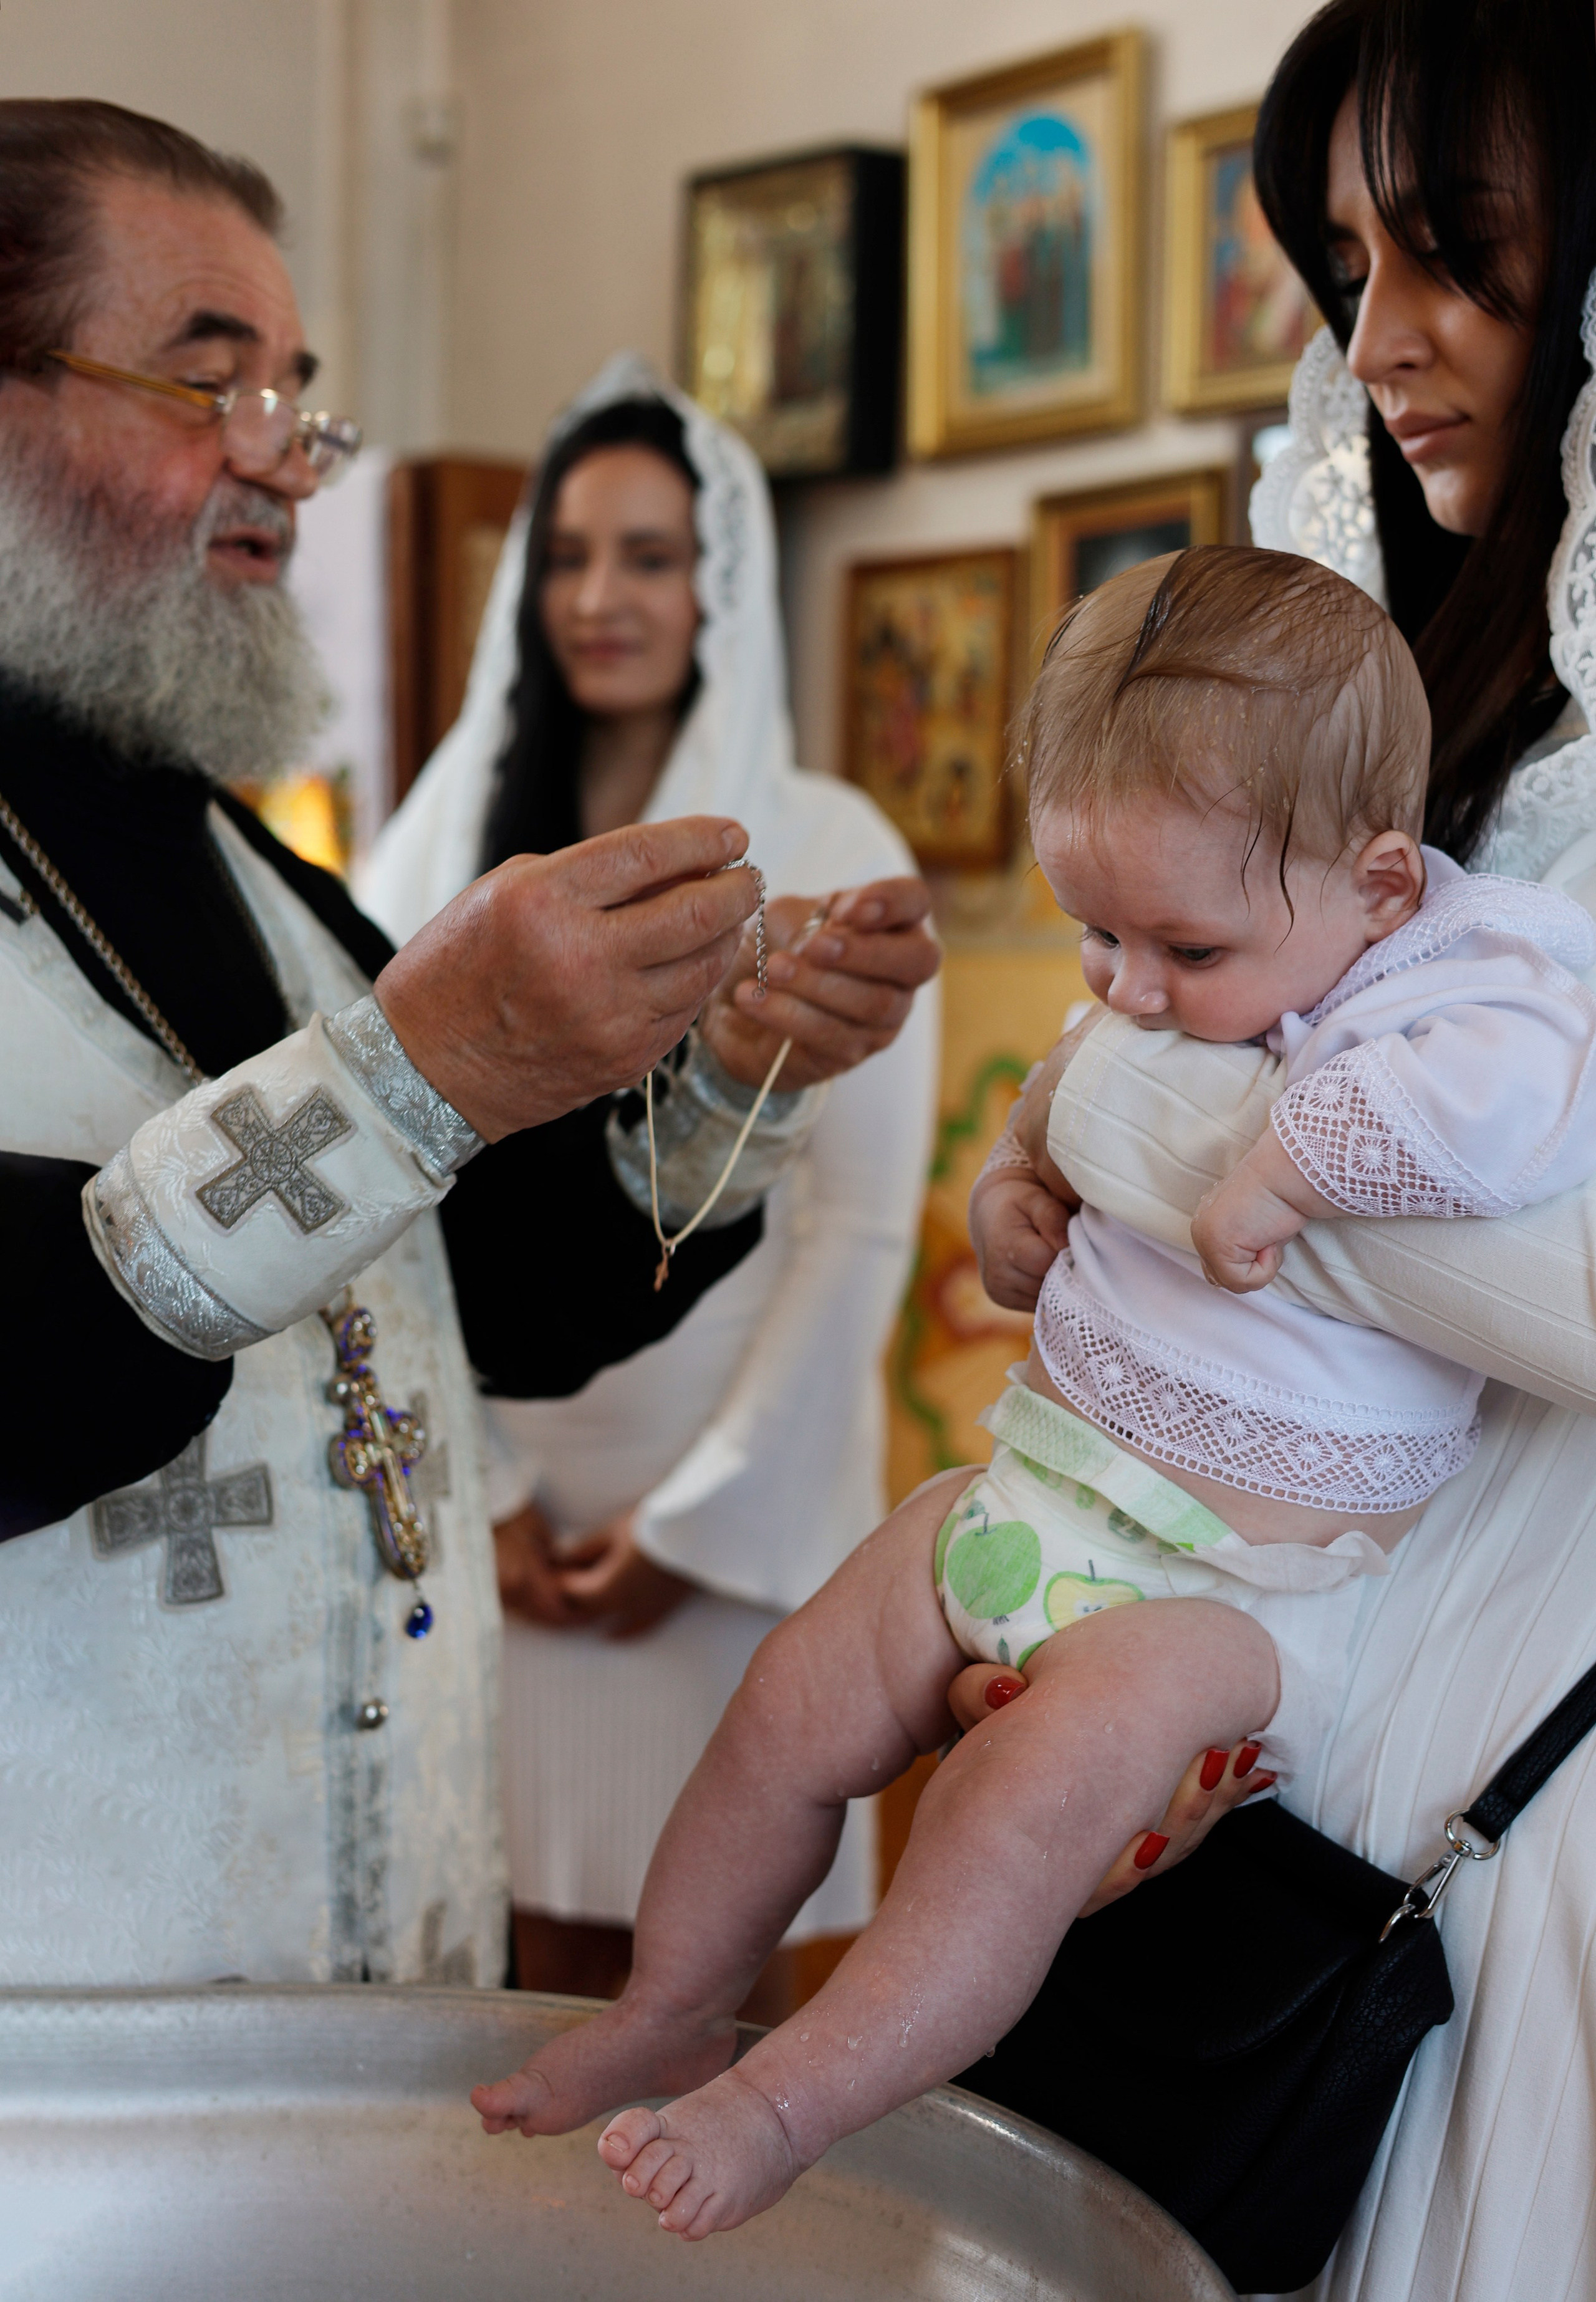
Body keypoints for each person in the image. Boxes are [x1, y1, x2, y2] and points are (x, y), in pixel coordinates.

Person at [465, 541, 1596, 2239]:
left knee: (1007, 1812)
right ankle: (674, 2003)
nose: (1130, 986)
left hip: (1233, 1606)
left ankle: (793, 2097)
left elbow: (1516, 1105)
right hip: (1021, 1490)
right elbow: (1069, 1087)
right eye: (1096, 934)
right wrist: (1017, 1179)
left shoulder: (1464, 971)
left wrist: (1288, 1163)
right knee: (787, 1705)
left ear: (1377, 882)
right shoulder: (1193, 969)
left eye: (1182, 946)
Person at [0, 99, 938, 1988]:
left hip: (381, 1974)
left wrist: (732, 1080)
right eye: (213, 385)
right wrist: (412, 1071)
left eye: (298, 401)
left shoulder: (235, 859)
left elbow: (505, 1287)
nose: (287, 463)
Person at [968, 4, 1596, 2296]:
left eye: (1456, 248)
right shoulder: (1447, 684)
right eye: (1347, 266)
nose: (1378, 338)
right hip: (1328, 1604)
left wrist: (1121, 1114)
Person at [360, 364, 938, 1989]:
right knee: (499, 1990)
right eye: (566, 556)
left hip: (727, 1533)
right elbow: (384, 1203)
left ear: (721, 585)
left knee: (714, 2004)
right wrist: (483, 1494)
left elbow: (856, 1228)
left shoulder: (829, 845)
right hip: (492, 1515)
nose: (599, 597)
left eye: (650, 556)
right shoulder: (437, 853)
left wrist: (702, 1520)